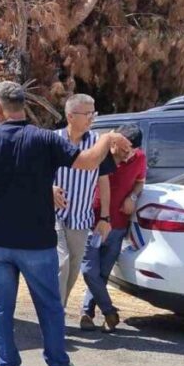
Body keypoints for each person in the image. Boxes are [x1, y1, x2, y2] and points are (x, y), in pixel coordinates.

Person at [0, 81, 131, 366]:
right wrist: (108, 138)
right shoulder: (45, 139)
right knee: (49, 307)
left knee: (1, 309)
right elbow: (87, 162)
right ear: (23, 107)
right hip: (37, 241)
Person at [80, 124, 146, 332]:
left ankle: (87, 313)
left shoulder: (140, 158)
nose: (128, 154)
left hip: (117, 225)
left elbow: (140, 182)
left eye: (132, 150)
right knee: (89, 270)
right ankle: (109, 311)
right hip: (90, 222)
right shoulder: (97, 155)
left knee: (103, 273)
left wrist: (133, 197)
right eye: (124, 149)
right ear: (114, 141)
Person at [53, 94, 114, 306]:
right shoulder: (53, 140)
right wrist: (48, 189)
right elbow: (36, 173)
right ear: (70, 116)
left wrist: (105, 217)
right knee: (62, 265)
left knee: (73, 270)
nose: (91, 118)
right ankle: (54, 318)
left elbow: (104, 181)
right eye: (86, 114)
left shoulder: (98, 144)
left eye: (93, 113)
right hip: (53, 217)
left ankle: (57, 309)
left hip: (81, 219)